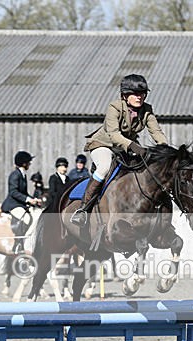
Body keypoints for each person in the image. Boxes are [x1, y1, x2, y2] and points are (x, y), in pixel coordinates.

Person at [71, 73, 169, 226]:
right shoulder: (114, 107)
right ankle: (83, 210)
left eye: (142, 94)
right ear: (124, 95)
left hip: (125, 148)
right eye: (135, 94)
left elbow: (156, 131)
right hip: (103, 144)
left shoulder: (147, 110)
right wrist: (133, 146)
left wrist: (164, 148)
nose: (140, 97)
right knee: (104, 168)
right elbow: (114, 134)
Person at [1, 150, 41, 252]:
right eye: (29, 162)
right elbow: (13, 192)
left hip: (19, 203)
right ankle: (18, 244)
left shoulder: (23, 175)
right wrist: (27, 199)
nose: (30, 164)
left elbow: (23, 192)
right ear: (24, 163)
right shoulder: (15, 175)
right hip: (12, 204)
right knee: (26, 218)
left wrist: (33, 199)